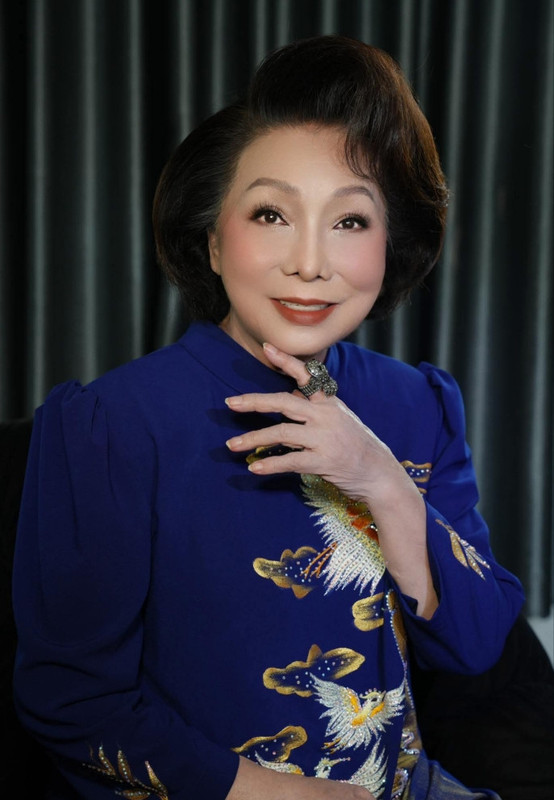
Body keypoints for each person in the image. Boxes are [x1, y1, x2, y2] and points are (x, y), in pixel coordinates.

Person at [13, 35, 524, 800]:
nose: (310, 262)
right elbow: (69, 701)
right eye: (271, 214)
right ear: (213, 241)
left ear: (390, 245)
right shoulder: (112, 425)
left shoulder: (417, 403)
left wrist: (383, 481)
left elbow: (478, 646)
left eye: (350, 222)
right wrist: (268, 790)